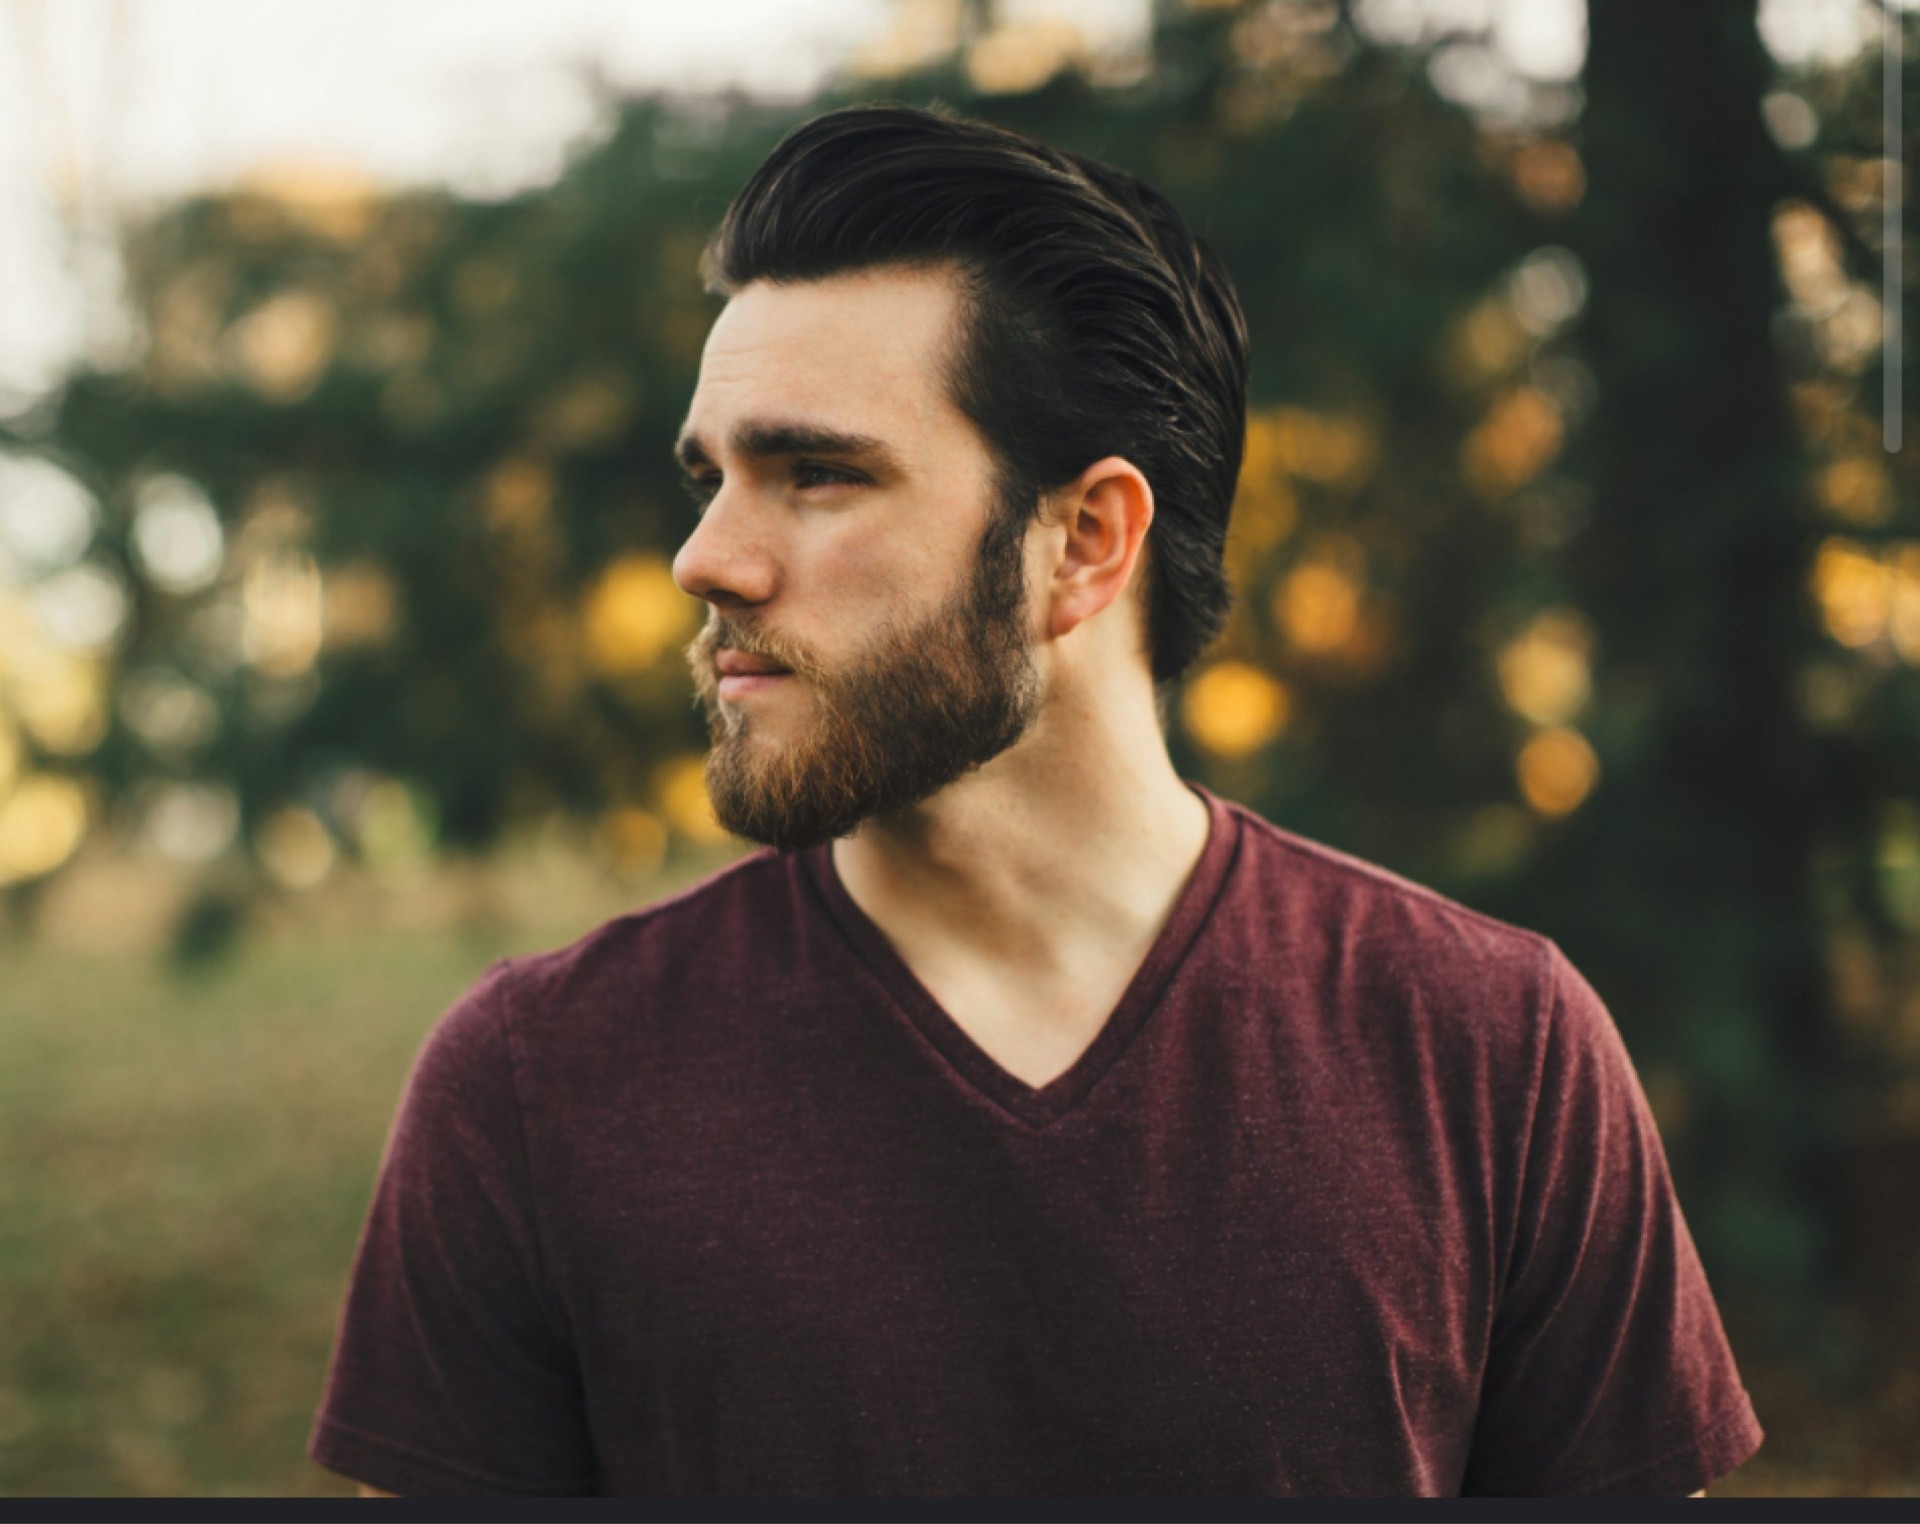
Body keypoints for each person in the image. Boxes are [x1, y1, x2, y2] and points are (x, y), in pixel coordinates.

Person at [309, 104, 1763, 1498]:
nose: (705, 560)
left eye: (818, 474)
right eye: (714, 478)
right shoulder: (538, 1085)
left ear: (1082, 541)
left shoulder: (1492, 1052)